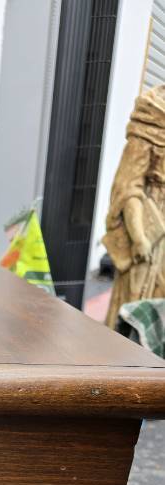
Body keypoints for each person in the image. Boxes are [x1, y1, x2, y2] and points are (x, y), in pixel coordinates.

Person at [103, 84, 165, 330]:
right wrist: (139, 237)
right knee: (136, 303)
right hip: (153, 229)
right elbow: (128, 186)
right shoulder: (153, 113)